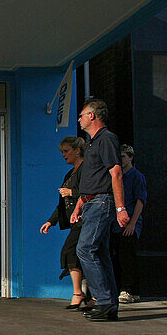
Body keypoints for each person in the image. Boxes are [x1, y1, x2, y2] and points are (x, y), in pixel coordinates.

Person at [69, 98, 130, 321]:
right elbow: (92, 179)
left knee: (85, 249)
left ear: (92, 115)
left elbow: (116, 173)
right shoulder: (93, 141)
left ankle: (102, 301)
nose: (79, 118)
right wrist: (79, 206)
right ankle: (109, 303)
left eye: (82, 114)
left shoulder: (106, 139)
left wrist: (121, 208)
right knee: (100, 253)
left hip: (102, 203)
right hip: (91, 202)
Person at [40, 136, 89, 309]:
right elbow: (62, 203)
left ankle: (79, 293)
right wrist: (50, 221)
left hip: (86, 219)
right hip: (75, 221)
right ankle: (85, 294)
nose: (63, 155)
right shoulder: (70, 173)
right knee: (79, 255)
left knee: (71, 251)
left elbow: (90, 192)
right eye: (62, 151)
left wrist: (71, 192)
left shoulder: (85, 169)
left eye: (66, 151)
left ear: (77, 151)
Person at [112, 144, 147, 304]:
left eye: (124, 156)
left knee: (128, 258)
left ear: (131, 157)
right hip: (116, 223)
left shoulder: (136, 176)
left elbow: (140, 201)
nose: (121, 160)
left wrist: (133, 224)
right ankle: (125, 288)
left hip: (129, 223)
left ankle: (129, 289)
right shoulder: (117, 176)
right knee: (119, 257)